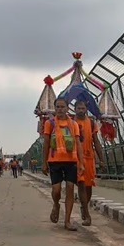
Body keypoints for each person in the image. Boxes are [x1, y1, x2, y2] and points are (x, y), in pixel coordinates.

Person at [42, 97, 84, 231]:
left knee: (70, 188)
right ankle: (56, 204)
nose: (60, 109)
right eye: (58, 107)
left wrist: (81, 162)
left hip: (71, 161)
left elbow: (78, 143)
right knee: (56, 190)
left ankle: (67, 220)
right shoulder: (50, 123)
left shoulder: (73, 124)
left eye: (63, 107)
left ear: (67, 108)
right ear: (55, 109)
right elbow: (46, 143)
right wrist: (44, 163)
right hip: (54, 161)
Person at [74, 100, 105, 226]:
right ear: (75, 109)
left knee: (89, 186)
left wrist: (101, 160)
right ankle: (87, 215)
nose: (81, 110)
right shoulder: (72, 122)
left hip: (88, 158)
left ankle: (84, 206)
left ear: (86, 109)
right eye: (78, 108)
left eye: (83, 108)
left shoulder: (91, 123)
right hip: (76, 159)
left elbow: (96, 141)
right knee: (81, 184)